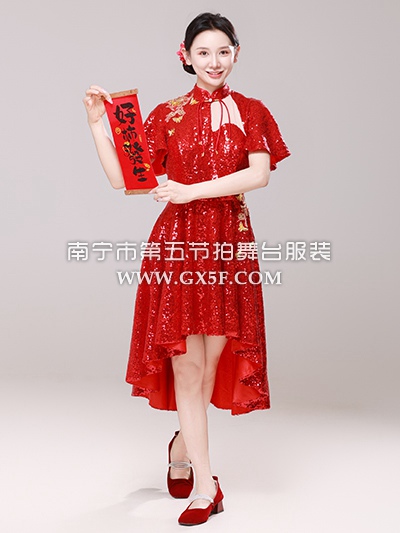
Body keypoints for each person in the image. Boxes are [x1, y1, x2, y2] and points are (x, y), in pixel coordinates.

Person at [83, 12, 290, 527]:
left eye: (223, 51)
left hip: (227, 246)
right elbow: (126, 181)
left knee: (210, 364)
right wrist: (97, 126)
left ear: (236, 54)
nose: (214, 62)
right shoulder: (166, 114)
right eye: (203, 52)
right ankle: (205, 486)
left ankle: (181, 444)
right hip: (176, 248)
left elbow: (258, 176)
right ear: (185, 56)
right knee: (188, 369)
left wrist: (190, 190)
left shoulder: (252, 111)